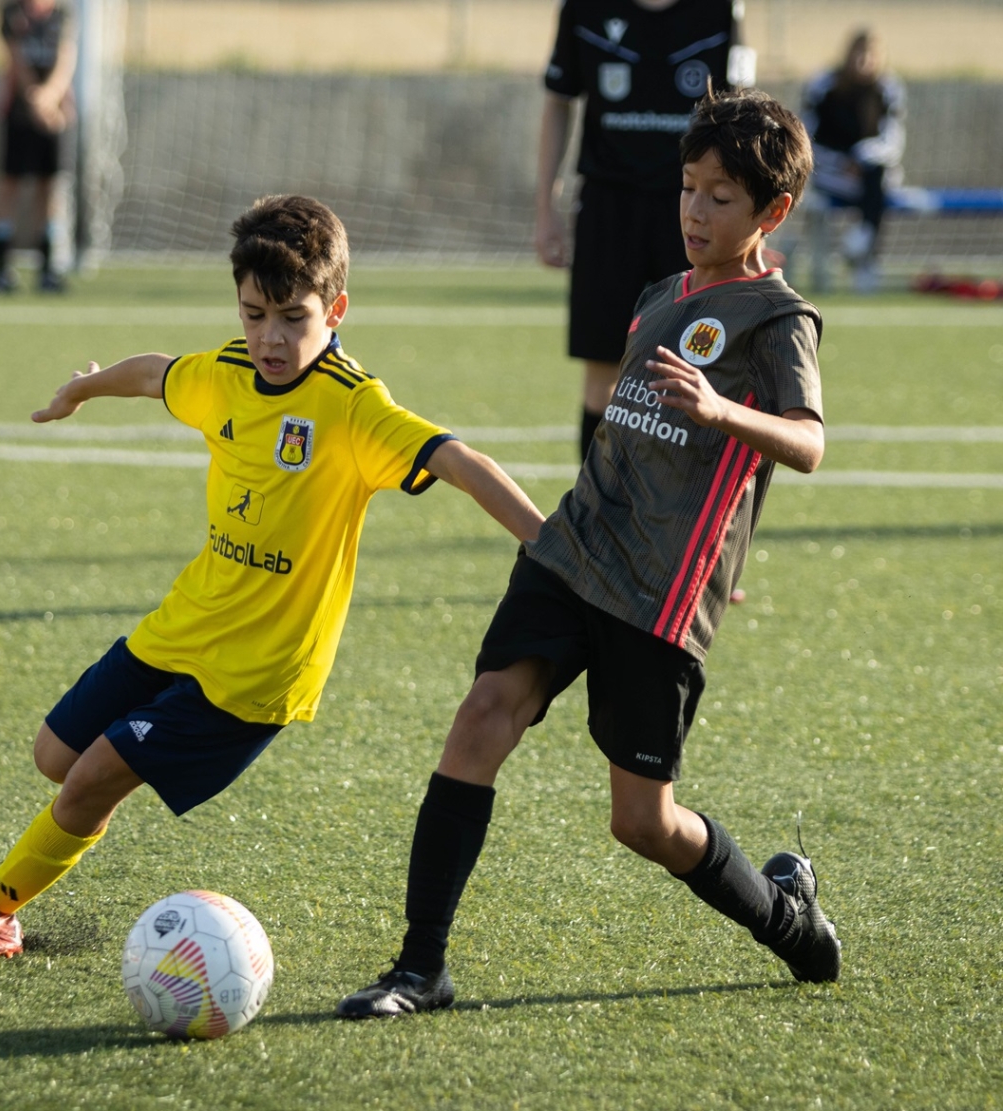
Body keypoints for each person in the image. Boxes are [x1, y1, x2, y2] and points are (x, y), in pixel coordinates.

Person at [338, 86, 840, 1020]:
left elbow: (809, 442)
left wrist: (723, 410)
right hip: (575, 553)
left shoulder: (779, 321)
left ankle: (785, 914)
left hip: (660, 595)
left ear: (773, 211)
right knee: (482, 714)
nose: (694, 209)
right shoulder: (660, 294)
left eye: (721, 196)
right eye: (688, 188)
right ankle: (419, 969)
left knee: (641, 822)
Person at [0, 195, 546, 960]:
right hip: (185, 625)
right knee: (54, 756)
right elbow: (156, 375)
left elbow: (460, 462)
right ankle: (58, 835)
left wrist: (548, 543)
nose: (270, 336)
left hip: (255, 674)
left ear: (335, 310)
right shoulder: (228, 373)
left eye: (292, 318)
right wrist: (82, 389)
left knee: (90, 778)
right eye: (253, 313)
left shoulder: (353, 408)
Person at [534, 0, 755, 461]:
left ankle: (681, 509)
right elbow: (559, 102)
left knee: (700, 367)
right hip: (607, 209)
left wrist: (749, 224)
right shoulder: (584, 10)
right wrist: (545, 209)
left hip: (694, 207)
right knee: (603, 370)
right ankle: (595, 509)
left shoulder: (720, 11)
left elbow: (743, 118)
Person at [802, 28, 906, 293]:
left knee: (878, 178)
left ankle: (862, 253)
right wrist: (841, 163)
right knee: (875, 186)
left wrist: (860, 158)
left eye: (871, 55)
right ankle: (862, 255)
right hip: (828, 174)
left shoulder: (888, 88)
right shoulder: (824, 86)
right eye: (859, 54)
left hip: (871, 173)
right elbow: (805, 138)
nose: (864, 61)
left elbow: (892, 141)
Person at [0, 0, 77, 294]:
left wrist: (51, 96)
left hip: (54, 114)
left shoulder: (63, 15)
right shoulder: (11, 13)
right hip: (19, 112)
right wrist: (35, 98)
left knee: (49, 187)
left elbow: (66, 58)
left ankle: (48, 271)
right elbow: (15, 58)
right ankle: (1, 271)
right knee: (9, 185)